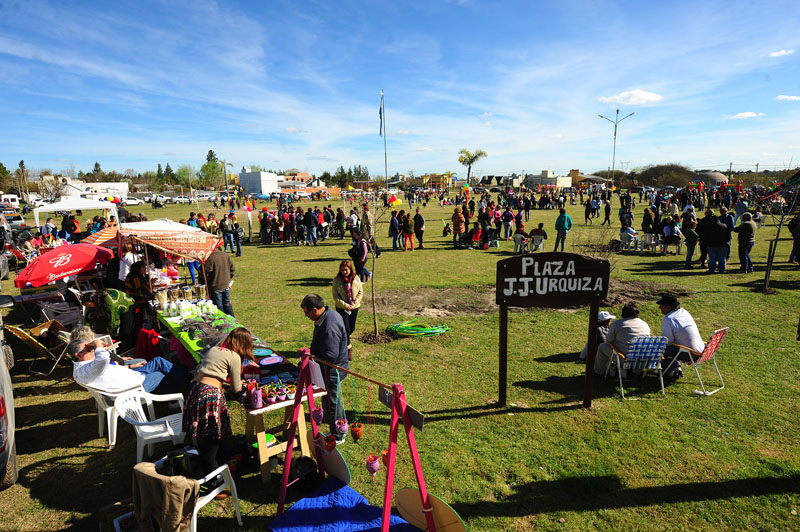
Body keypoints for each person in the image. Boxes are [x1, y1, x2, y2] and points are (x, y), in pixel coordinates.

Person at [183, 327, 254, 475]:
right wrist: (247, 392)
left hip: (195, 388)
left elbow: (205, 370)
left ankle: (223, 457)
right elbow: (236, 388)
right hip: (210, 395)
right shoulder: (234, 356)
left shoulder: (215, 349)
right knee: (212, 437)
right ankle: (210, 475)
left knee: (210, 434)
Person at [301, 294, 349, 443]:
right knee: (330, 400)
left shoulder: (329, 326)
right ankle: (338, 428)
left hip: (333, 369)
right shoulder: (326, 315)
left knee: (332, 402)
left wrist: (312, 362)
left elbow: (330, 356)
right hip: (328, 369)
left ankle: (339, 434)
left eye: (306, 313)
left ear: (315, 309)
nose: (306, 316)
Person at [70, 336, 188, 394]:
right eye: (88, 349)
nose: (92, 350)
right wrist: (96, 344)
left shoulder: (86, 366)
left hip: (133, 376)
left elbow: (108, 369)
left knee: (158, 361)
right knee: (161, 375)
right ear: (78, 355)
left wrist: (130, 367)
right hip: (133, 387)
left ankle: (187, 380)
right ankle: (179, 396)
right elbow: (103, 359)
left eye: (91, 348)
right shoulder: (84, 370)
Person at [594, 303, 651, 376]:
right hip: (643, 359)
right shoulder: (644, 324)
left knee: (602, 346)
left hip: (624, 358)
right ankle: (635, 371)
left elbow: (608, 340)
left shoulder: (618, 324)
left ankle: (599, 371)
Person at [657, 294, 705, 380]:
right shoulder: (684, 312)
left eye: (661, 305)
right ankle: (675, 368)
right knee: (671, 348)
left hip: (690, 354)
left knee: (659, 349)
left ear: (668, 307)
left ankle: (669, 371)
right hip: (702, 350)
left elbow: (667, 342)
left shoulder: (669, 319)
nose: (659, 307)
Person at [332, 260, 362, 362]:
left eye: (346, 270)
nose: (344, 272)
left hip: (354, 307)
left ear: (350, 269)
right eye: (342, 270)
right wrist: (345, 305)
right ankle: (349, 349)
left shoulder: (356, 278)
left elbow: (360, 292)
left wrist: (354, 304)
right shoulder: (337, 280)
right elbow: (335, 296)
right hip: (341, 308)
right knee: (345, 329)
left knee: (351, 328)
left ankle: (341, 340)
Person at [203, 246, 235, 316]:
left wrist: (204, 285)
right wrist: (227, 280)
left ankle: (223, 322)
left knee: (219, 307)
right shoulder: (225, 254)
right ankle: (234, 321)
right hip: (225, 284)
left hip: (215, 286)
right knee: (227, 304)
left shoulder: (210, 258)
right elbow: (232, 269)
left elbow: (204, 272)